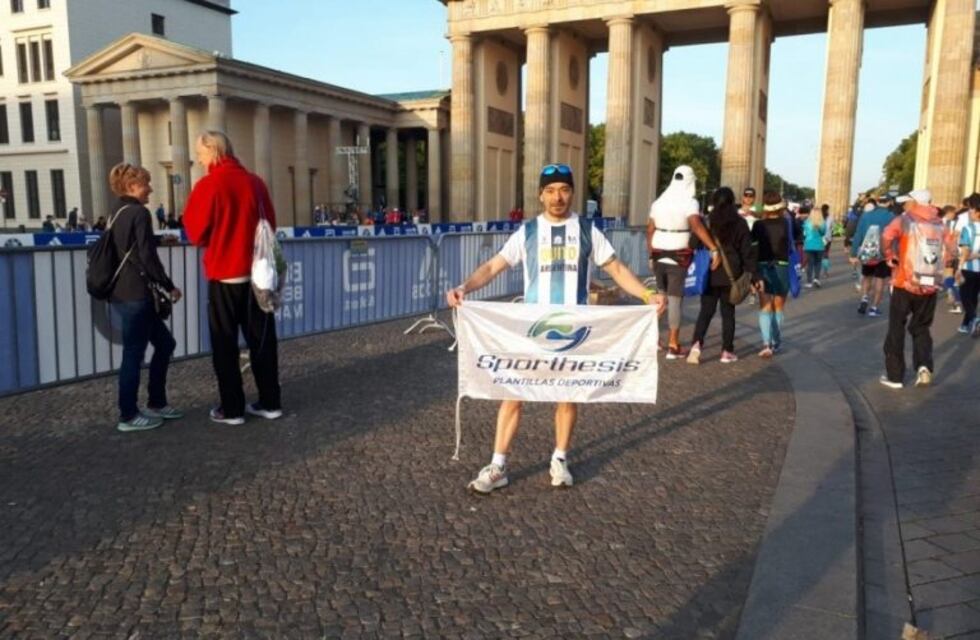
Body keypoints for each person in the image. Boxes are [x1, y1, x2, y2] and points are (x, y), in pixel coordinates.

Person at [446, 163, 666, 494]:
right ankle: (498, 465)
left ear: (572, 193)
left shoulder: (589, 230)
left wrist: (647, 293)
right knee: (512, 392)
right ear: (540, 195)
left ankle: (560, 458)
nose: (557, 197)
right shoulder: (529, 231)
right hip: (531, 328)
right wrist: (466, 286)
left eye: (563, 189)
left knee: (567, 394)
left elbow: (617, 269)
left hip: (573, 329)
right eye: (550, 190)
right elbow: (494, 265)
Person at [183, 131, 282, 424]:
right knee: (263, 342)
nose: (198, 159)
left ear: (213, 151)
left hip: (225, 274)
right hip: (258, 275)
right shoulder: (255, 183)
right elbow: (270, 224)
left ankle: (233, 408)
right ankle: (270, 402)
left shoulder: (209, 185)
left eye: (200, 154)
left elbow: (196, 232)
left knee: (225, 346)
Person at [105, 163, 182, 432]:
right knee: (135, 353)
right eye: (146, 183)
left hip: (122, 293)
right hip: (137, 294)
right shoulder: (139, 212)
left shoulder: (117, 211)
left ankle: (156, 402)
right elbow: (146, 257)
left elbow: (134, 246)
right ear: (132, 186)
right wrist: (169, 286)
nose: (150, 188)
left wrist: (159, 240)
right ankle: (128, 414)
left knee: (164, 343)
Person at [879, 189, 957, 389]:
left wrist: (889, 255)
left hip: (905, 281)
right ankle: (923, 367)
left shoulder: (904, 220)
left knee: (897, 327)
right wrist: (946, 264)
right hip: (930, 283)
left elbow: (886, 236)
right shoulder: (941, 224)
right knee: (921, 327)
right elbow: (951, 251)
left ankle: (895, 376)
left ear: (914, 203)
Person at [646, 165, 721, 359]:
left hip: (658, 250)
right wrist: (713, 248)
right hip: (678, 253)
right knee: (675, 300)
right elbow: (696, 225)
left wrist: (650, 255)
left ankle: (652, 339)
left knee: (660, 298)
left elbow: (650, 229)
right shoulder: (690, 202)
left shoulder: (659, 201)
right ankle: (673, 344)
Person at [687, 187, 758, 364]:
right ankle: (727, 351)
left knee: (705, 312)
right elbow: (747, 252)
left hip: (709, 272)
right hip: (731, 275)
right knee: (728, 314)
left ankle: (696, 345)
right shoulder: (740, 223)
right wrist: (753, 275)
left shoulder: (707, 222)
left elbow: (693, 242)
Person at [751, 192, 802, 358]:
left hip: (763, 267)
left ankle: (766, 343)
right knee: (778, 307)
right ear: (781, 206)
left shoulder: (758, 225)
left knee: (765, 306)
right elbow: (798, 242)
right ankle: (776, 342)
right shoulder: (788, 223)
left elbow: (753, 248)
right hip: (783, 266)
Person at [850, 197, 895, 317]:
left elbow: (858, 234)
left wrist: (853, 253)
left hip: (868, 251)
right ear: (889, 202)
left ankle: (864, 297)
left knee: (867, 277)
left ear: (878, 203)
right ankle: (874, 307)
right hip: (884, 253)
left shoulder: (866, 215)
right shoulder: (892, 217)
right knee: (880, 280)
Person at [956, 193, 980, 336]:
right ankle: (966, 324)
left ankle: (974, 319)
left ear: (978, 212)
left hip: (968, 268)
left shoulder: (968, 228)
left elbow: (965, 251)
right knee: (974, 296)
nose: (969, 213)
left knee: (965, 296)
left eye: (971, 210)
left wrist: (959, 267)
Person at [941, 204, 964, 314]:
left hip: (950, 253)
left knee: (950, 277)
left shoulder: (944, 222)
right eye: (953, 212)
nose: (954, 214)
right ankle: (957, 301)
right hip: (956, 252)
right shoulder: (948, 222)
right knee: (954, 278)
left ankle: (951, 292)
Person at [802, 204, 827, 288]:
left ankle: (809, 282)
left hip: (809, 245)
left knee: (810, 264)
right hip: (819, 245)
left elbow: (804, 233)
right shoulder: (822, 222)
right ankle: (816, 278)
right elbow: (823, 233)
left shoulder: (807, 222)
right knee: (818, 263)